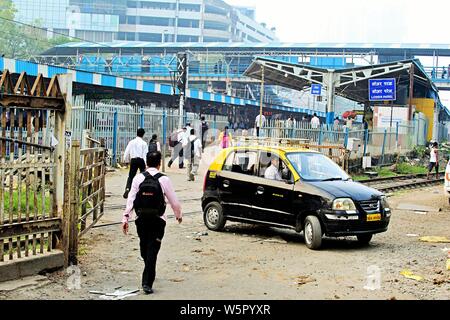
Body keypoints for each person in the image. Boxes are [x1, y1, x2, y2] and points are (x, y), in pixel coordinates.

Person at [122, 151, 182, 295]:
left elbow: (130, 200)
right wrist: (178, 215)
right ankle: (149, 272)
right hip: (158, 220)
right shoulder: (164, 180)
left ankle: (146, 282)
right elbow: (174, 201)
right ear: (159, 163)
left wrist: (125, 218)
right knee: (151, 251)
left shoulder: (138, 178)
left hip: (140, 220)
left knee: (146, 249)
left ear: (146, 163)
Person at [123, 128, 148, 199]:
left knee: (131, 176)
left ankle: (127, 189)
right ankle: (143, 190)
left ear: (136, 133)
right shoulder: (144, 143)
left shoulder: (131, 142)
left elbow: (127, 152)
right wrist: (146, 164)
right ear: (143, 134)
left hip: (133, 160)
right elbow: (145, 155)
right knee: (143, 176)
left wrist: (126, 160)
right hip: (141, 160)